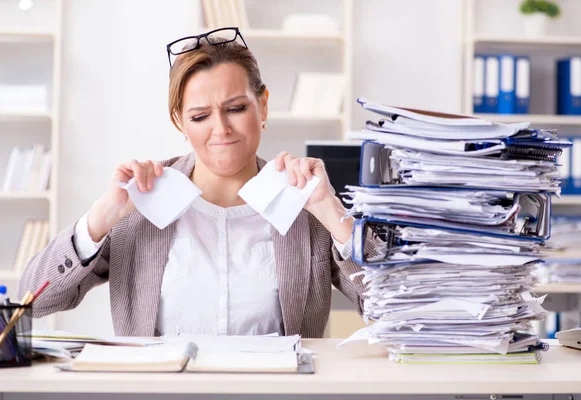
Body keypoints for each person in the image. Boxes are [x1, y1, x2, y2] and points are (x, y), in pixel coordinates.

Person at [19, 27, 379, 338]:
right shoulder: (139, 203)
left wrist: (333, 214)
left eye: (236, 108)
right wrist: (99, 220)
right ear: (179, 121)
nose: (220, 128)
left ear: (263, 105)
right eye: (200, 115)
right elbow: (29, 301)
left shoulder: (302, 203)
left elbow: (394, 312)